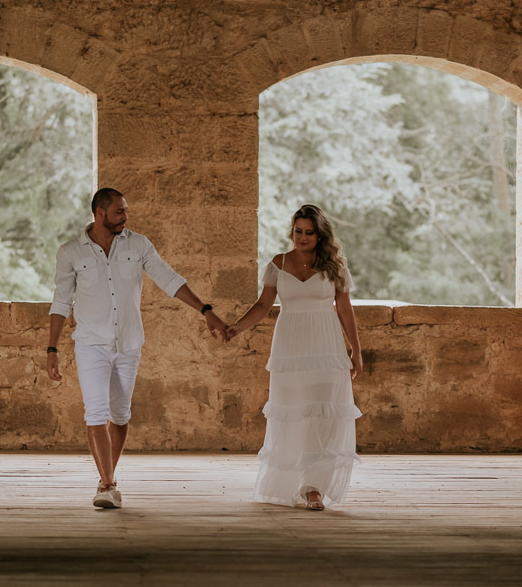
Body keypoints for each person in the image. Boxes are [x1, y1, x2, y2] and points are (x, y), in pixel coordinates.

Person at [47, 188, 228, 509]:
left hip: (129, 344)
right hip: (91, 345)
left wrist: (206, 310)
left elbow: (170, 279)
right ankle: (107, 484)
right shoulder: (71, 252)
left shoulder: (138, 244)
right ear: (99, 213)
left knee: (119, 416)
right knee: (96, 412)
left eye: (125, 211)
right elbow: (61, 302)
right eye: (119, 212)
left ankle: (107, 477)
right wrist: (52, 348)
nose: (125, 217)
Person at [226, 204, 363, 511]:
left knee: (321, 415)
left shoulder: (334, 267)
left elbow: (344, 309)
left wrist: (355, 350)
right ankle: (294, 482)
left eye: (309, 233)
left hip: (326, 346)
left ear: (320, 234)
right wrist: (237, 327)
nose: (302, 238)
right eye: (298, 231)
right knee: (293, 413)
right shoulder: (278, 263)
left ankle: (313, 487)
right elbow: (263, 306)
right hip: (290, 346)